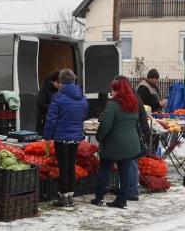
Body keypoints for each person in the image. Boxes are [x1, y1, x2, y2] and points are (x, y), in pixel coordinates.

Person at [92, 77, 141, 209]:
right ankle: (122, 200)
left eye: (113, 89)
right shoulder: (133, 104)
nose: (111, 92)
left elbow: (105, 126)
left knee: (104, 170)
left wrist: (99, 137)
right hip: (130, 144)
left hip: (113, 145)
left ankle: (98, 198)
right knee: (125, 172)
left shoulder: (112, 105)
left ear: (118, 90)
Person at [43, 69, 89, 207]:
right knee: (71, 165)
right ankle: (70, 196)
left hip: (61, 137)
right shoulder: (82, 96)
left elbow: (51, 118)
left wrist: (47, 136)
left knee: (63, 167)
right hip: (75, 136)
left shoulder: (58, 97)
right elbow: (84, 113)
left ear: (61, 82)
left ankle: (63, 197)